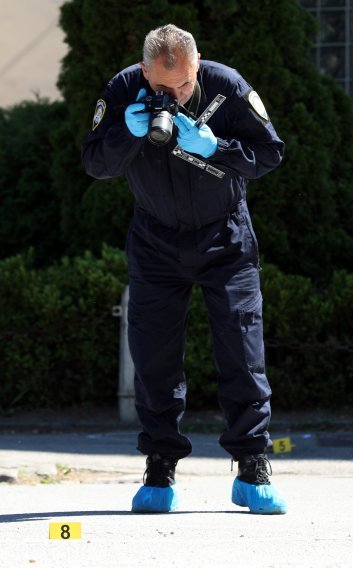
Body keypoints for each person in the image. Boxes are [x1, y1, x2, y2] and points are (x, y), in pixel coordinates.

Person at [82, 24, 286, 514]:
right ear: (145, 71)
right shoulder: (122, 89)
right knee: (154, 356)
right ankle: (159, 465)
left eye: (184, 86)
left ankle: (252, 464)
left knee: (242, 348)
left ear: (198, 64)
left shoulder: (228, 85)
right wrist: (124, 136)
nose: (174, 97)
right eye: (161, 89)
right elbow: (93, 162)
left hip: (226, 236)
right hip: (156, 238)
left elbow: (270, 153)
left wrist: (216, 148)